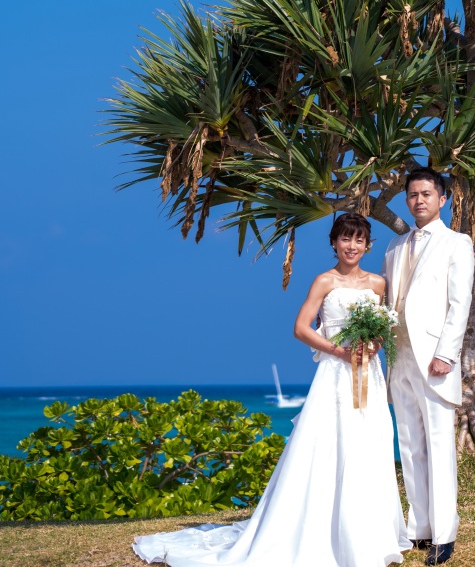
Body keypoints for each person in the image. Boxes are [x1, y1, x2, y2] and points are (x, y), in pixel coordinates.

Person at [132, 212, 411, 567]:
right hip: (335, 373)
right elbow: (301, 327)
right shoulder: (324, 281)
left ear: (367, 244)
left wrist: (372, 345)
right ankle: (323, 532)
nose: (352, 246)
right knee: (330, 443)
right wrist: (339, 350)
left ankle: (368, 532)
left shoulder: (379, 284)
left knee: (368, 442)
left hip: (369, 374)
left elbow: (385, 326)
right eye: (345, 239)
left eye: (359, 240)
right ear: (333, 243)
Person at [383, 169, 475, 567]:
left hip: (434, 359)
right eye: (412, 195)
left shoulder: (457, 243)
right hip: (398, 356)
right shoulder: (393, 246)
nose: (418, 200)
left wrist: (447, 353)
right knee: (409, 444)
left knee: (439, 447)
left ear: (442, 199)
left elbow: (460, 303)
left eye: (426, 193)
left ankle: (444, 534)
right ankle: (418, 527)